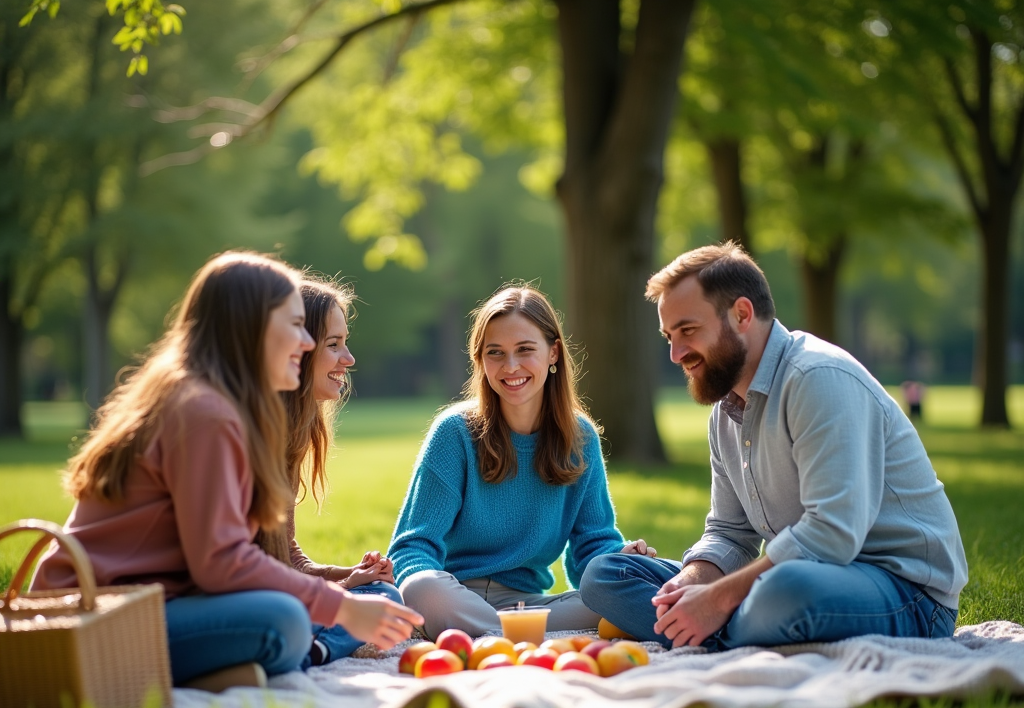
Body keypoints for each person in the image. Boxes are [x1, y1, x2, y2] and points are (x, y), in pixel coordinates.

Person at [32, 253, 422, 690]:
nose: (307, 342)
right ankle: (282, 657)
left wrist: (344, 589)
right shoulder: (203, 412)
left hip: (160, 602)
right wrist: (342, 608)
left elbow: (245, 559)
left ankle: (239, 665)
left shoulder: (214, 404)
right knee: (284, 621)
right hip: (94, 612)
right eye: (294, 326)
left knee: (363, 601)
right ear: (251, 327)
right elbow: (221, 562)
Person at [579, 242, 968, 650]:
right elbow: (729, 533)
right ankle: (719, 630)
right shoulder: (724, 412)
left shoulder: (818, 378)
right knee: (606, 574)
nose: (676, 354)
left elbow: (833, 534)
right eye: (669, 336)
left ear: (742, 314)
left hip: (906, 593)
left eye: (688, 331)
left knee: (784, 590)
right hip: (797, 577)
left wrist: (718, 598)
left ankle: (713, 632)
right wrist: (690, 584)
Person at [387, 284, 657, 640]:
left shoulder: (580, 439)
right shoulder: (454, 433)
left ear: (553, 353)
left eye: (525, 350)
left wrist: (621, 557)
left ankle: (495, 636)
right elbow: (412, 548)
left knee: (640, 592)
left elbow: (591, 550)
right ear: (480, 359)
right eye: (495, 352)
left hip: (531, 605)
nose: (510, 366)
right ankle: (514, 635)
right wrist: (426, 592)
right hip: (450, 595)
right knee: (421, 587)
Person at [268, 277, 404, 666]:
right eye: (333, 345)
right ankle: (311, 652)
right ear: (299, 348)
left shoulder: (292, 437)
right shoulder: (257, 438)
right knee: (377, 602)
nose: (349, 358)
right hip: (252, 604)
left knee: (383, 594)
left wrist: (353, 574)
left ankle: (316, 646)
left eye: (345, 342)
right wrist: (344, 590)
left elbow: (285, 554)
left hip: (277, 597)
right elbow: (247, 569)